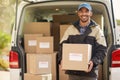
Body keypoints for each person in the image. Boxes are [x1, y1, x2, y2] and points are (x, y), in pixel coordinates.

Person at [57, 3, 107, 80]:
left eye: (86, 11)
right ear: (78, 13)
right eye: (81, 11)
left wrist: (93, 62)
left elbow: (102, 50)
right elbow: (62, 46)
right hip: (73, 72)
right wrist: (61, 59)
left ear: (91, 13)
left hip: (90, 73)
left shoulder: (97, 30)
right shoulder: (71, 29)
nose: (84, 14)